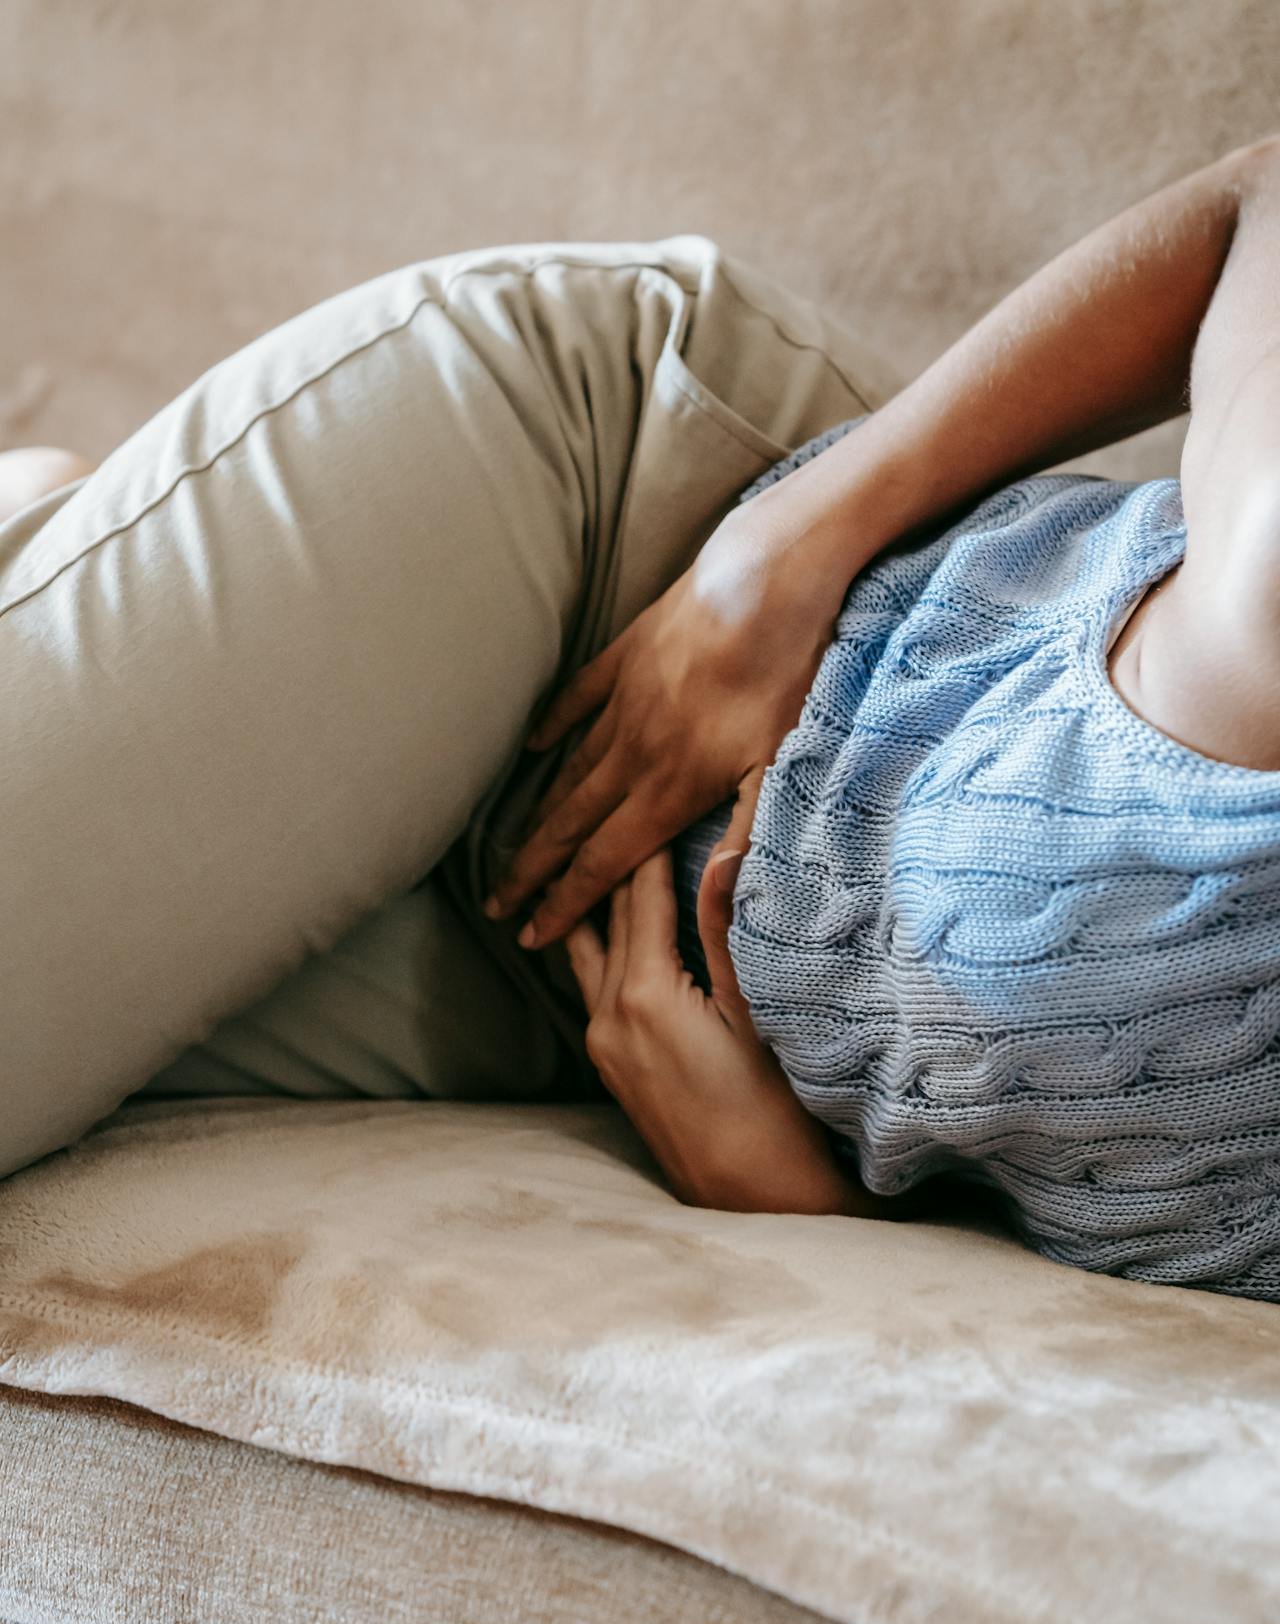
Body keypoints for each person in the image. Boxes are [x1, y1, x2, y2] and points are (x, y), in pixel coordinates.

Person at [2, 137, 1277, 1297]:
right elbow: (1259, 198)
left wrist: (807, 1202)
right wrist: (793, 541)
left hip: (568, 988)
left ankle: (66, 540)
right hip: (612, 557)